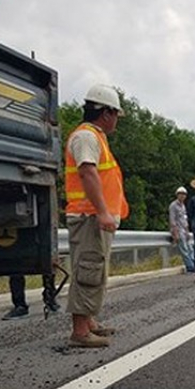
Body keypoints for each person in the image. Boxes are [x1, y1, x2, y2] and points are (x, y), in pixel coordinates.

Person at [64, 84, 129, 347]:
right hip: (89, 217)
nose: (116, 121)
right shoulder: (86, 137)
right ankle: (80, 332)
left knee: (95, 269)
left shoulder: (95, 137)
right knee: (88, 270)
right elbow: (87, 172)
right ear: (107, 112)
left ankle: (89, 321)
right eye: (115, 115)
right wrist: (103, 211)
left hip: (96, 218)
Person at [169, 186, 195, 273]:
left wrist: (187, 231)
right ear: (177, 195)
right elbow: (172, 220)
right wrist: (175, 233)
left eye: (184, 194)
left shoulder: (183, 206)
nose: (182, 196)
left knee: (190, 248)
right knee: (184, 249)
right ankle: (190, 267)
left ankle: (194, 264)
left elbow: (185, 219)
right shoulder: (173, 205)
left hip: (184, 230)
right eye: (181, 194)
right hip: (178, 230)